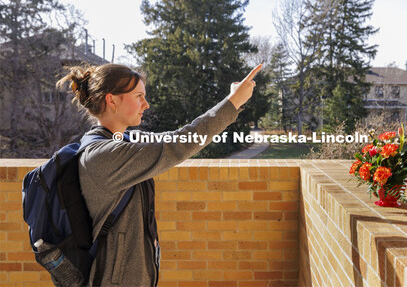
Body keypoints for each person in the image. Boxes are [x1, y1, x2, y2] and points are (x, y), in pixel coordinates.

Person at [57, 62, 262, 286]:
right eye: (138, 96)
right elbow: (179, 144)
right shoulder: (104, 155)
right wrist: (233, 102)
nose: (145, 104)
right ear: (112, 100)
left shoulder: (120, 142)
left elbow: (175, 138)